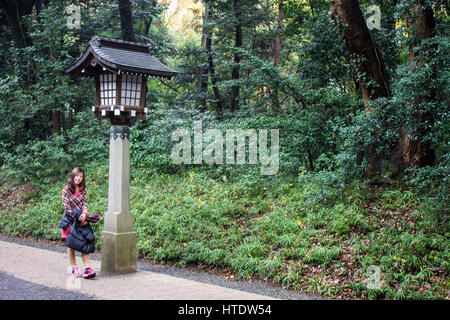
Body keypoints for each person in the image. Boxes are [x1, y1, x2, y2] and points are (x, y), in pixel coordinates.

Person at [61, 167, 96, 279]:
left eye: (81, 176)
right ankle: (74, 268)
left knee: (84, 243)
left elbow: (84, 204)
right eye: (77, 176)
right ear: (72, 176)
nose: (78, 178)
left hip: (81, 220)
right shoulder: (66, 190)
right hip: (70, 221)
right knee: (71, 245)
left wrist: (85, 214)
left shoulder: (82, 190)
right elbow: (67, 208)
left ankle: (88, 269)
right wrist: (77, 217)